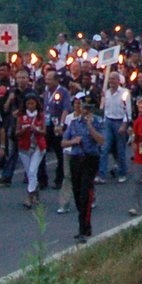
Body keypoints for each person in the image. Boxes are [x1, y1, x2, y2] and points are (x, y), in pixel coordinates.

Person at [60, 94, 104, 241]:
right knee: (77, 192)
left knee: (86, 193)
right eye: (84, 107)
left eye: (89, 108)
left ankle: (82, 229)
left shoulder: (97, 122)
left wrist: (90, 127)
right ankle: (85, 224)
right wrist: (73, 141)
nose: (86, 110)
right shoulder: (74, 123)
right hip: (76, 158)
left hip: (90, 159)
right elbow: (63, 142)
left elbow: (101, 140)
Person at [14, 92, 46, 209]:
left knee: (32, 171)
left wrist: (35, 129)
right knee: (30, 173)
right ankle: (35, 193)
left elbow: (44, 132)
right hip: (24, 148)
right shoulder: (21, 116)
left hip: (38, 147)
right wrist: (24, 130)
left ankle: (29, 195)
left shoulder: (40, 115)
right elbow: (16, 132)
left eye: (32, 103)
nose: (30, 106)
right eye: (28, 104)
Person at [100, 70, 131, 184]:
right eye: (110, 79)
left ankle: (122, 172)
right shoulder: (106, 93)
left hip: (119, 122)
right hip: (108, 121)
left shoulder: (124, 93)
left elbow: (128, 111)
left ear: (118, 81)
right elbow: (105, 109)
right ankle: (101, 174)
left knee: (120, 149)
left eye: (113, 79)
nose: (111, 81)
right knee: (104, 148)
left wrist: (124, 124)